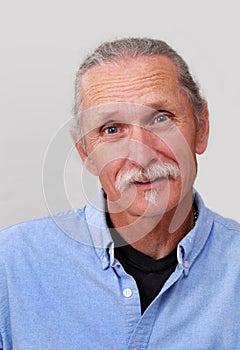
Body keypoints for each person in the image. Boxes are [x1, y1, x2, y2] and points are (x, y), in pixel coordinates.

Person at [0, 38, 240, 350]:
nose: (141, 156)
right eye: (112, 129)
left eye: (161, 117)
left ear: (201, 126)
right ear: (84, 152)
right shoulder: (10, 264)